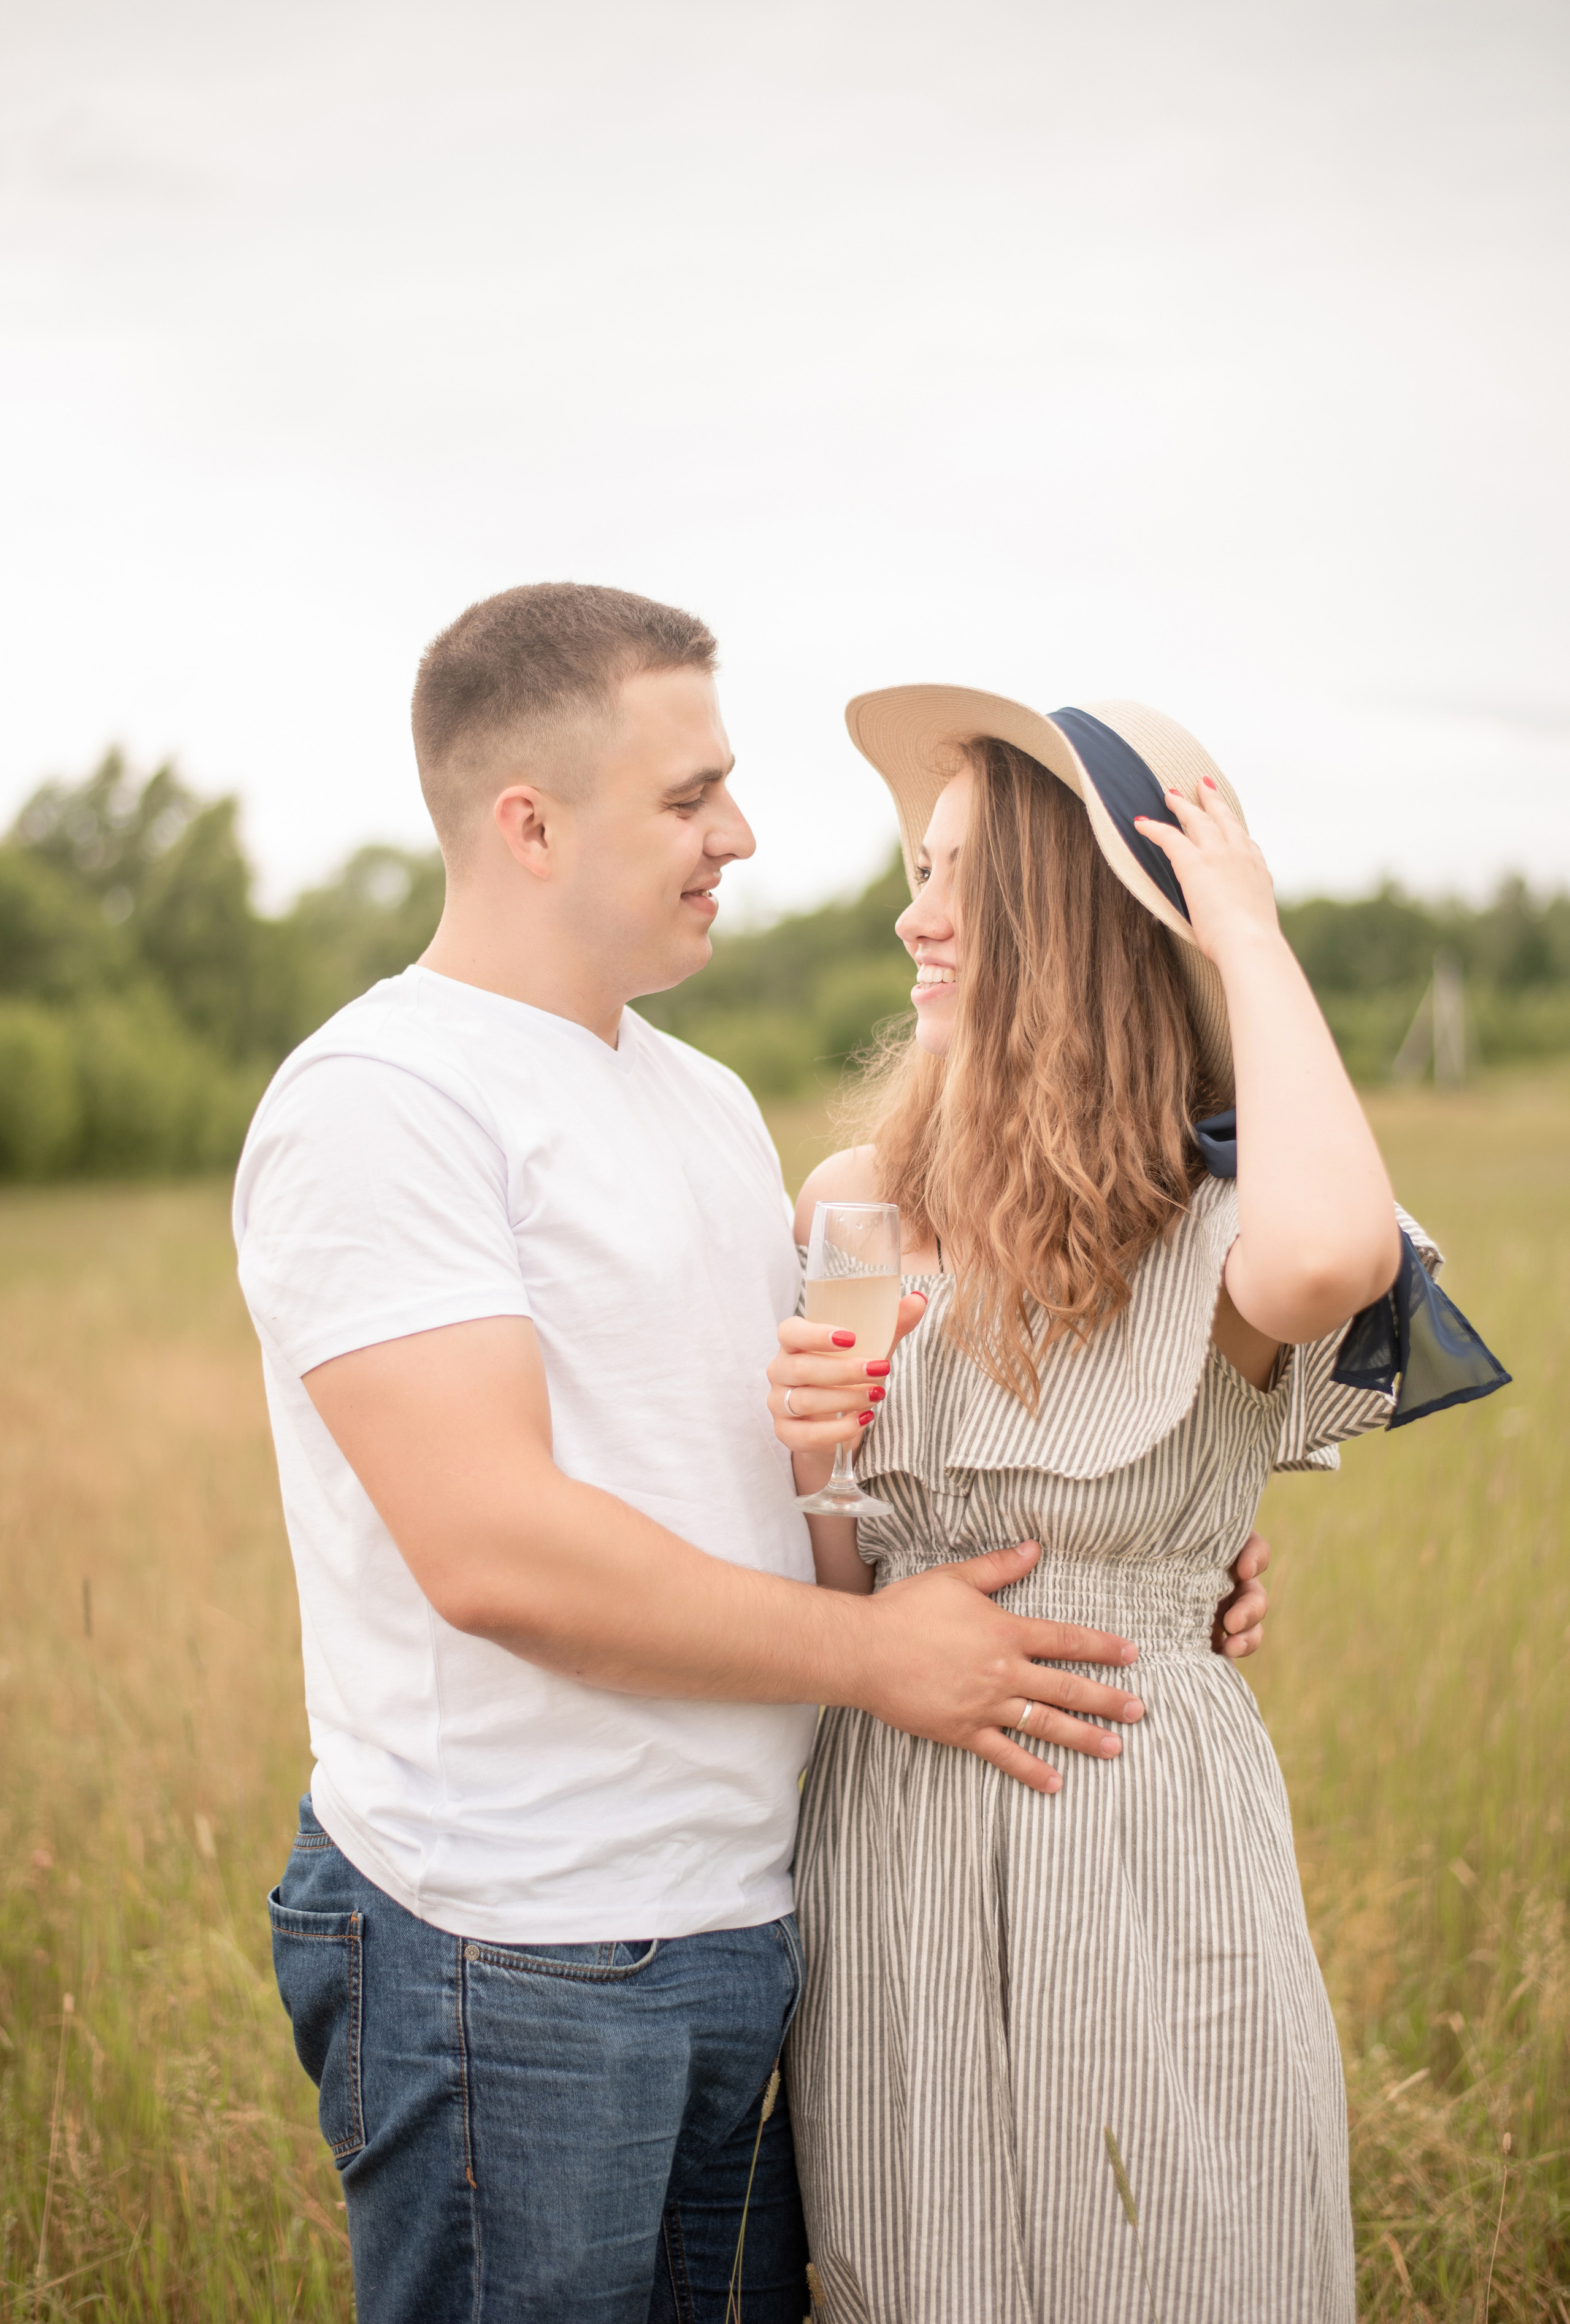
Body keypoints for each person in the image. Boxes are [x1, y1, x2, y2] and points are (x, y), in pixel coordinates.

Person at [235, 592, 1278, 2323]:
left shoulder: (706, 1104)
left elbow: (826, 1450)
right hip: (513, 1944)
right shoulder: (385, 1100)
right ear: (530, 822)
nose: (743, 833)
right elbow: (495, 1549)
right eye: (691, 794)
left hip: (756, 1918)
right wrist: (880, 1657)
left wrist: (1154, 1541)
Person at [766, 689, 1509, 2324]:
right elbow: (841, 1570)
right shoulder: (852, 1205)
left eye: (958, 873)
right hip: (896, 1808)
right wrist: (812, 1450)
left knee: (1179, 2243)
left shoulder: (1219, 1206)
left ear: (1066, 915)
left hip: (1134, 1798)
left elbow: (1333, 1257)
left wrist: (1242, 923)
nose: (914, 910)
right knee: (913, 2251)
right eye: (916, 864)